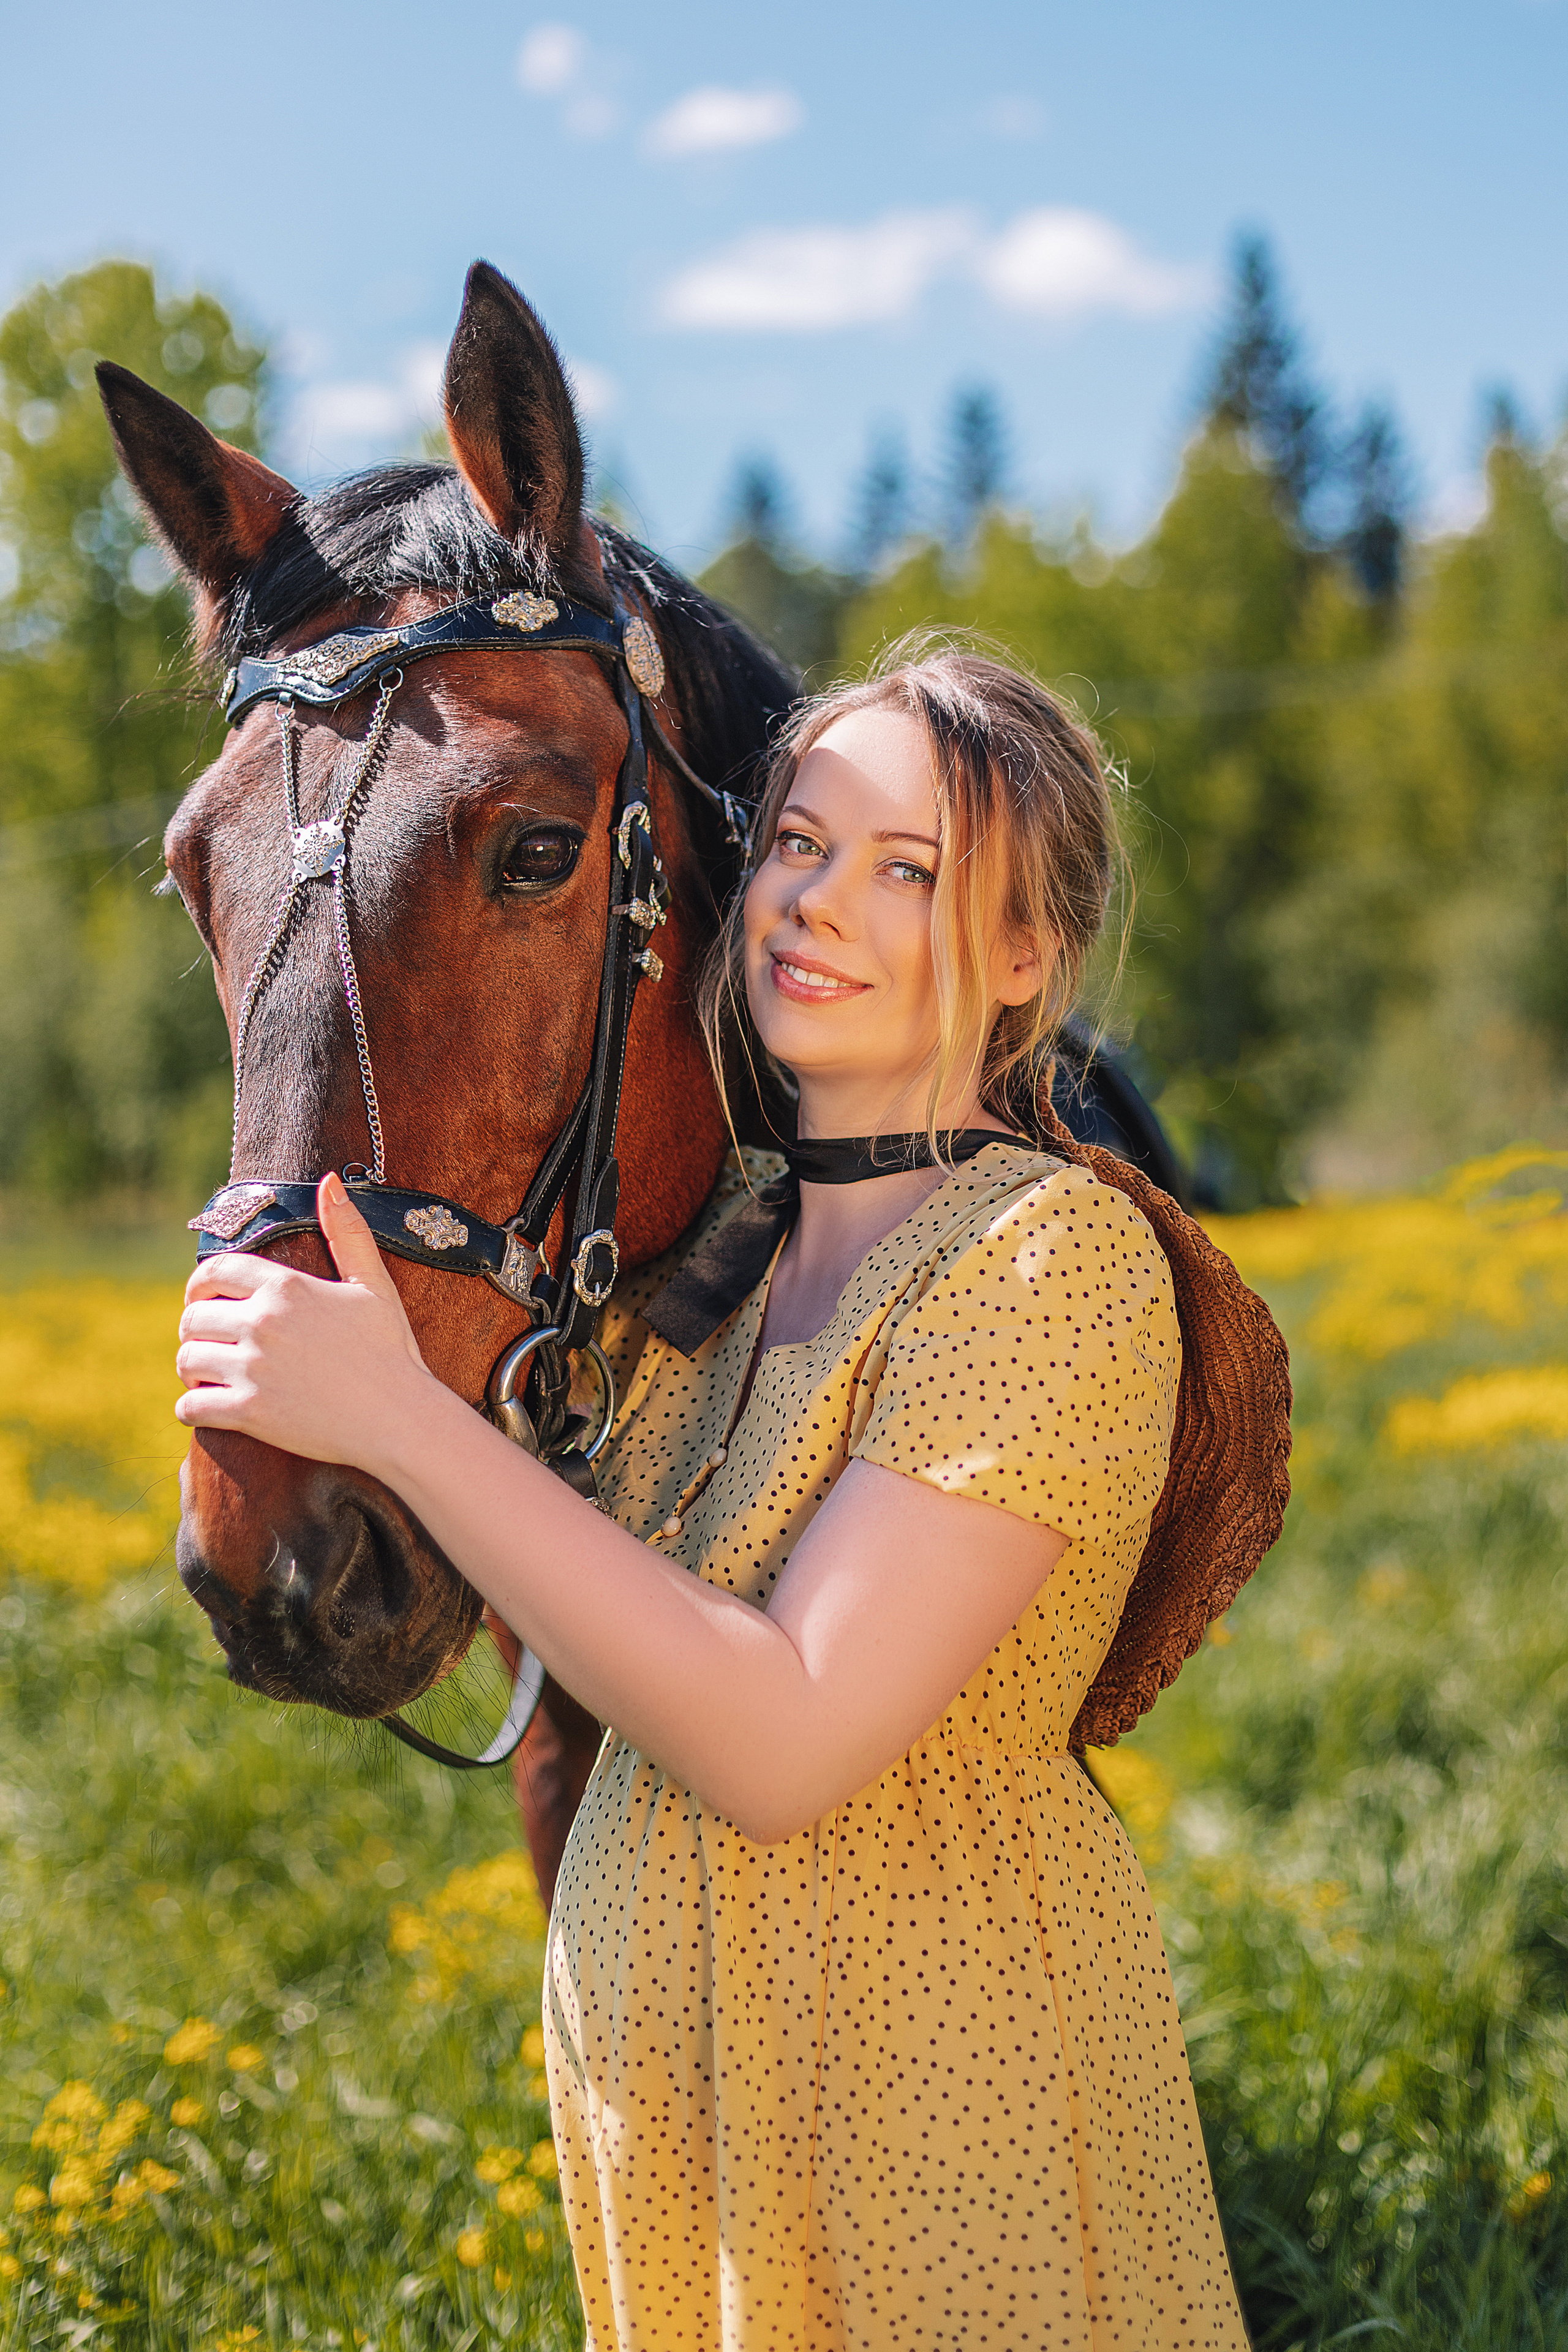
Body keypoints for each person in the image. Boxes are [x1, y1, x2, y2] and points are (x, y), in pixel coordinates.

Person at [176, 647, 1283, 2350]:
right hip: (692, 2142)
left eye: (904, 870)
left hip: (927, 2100)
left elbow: (781, 1743)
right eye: (792, 844)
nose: (813, 905)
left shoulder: (1047, 1263)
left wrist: (397, 1414)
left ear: (1022, 956)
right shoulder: (699, 1287)